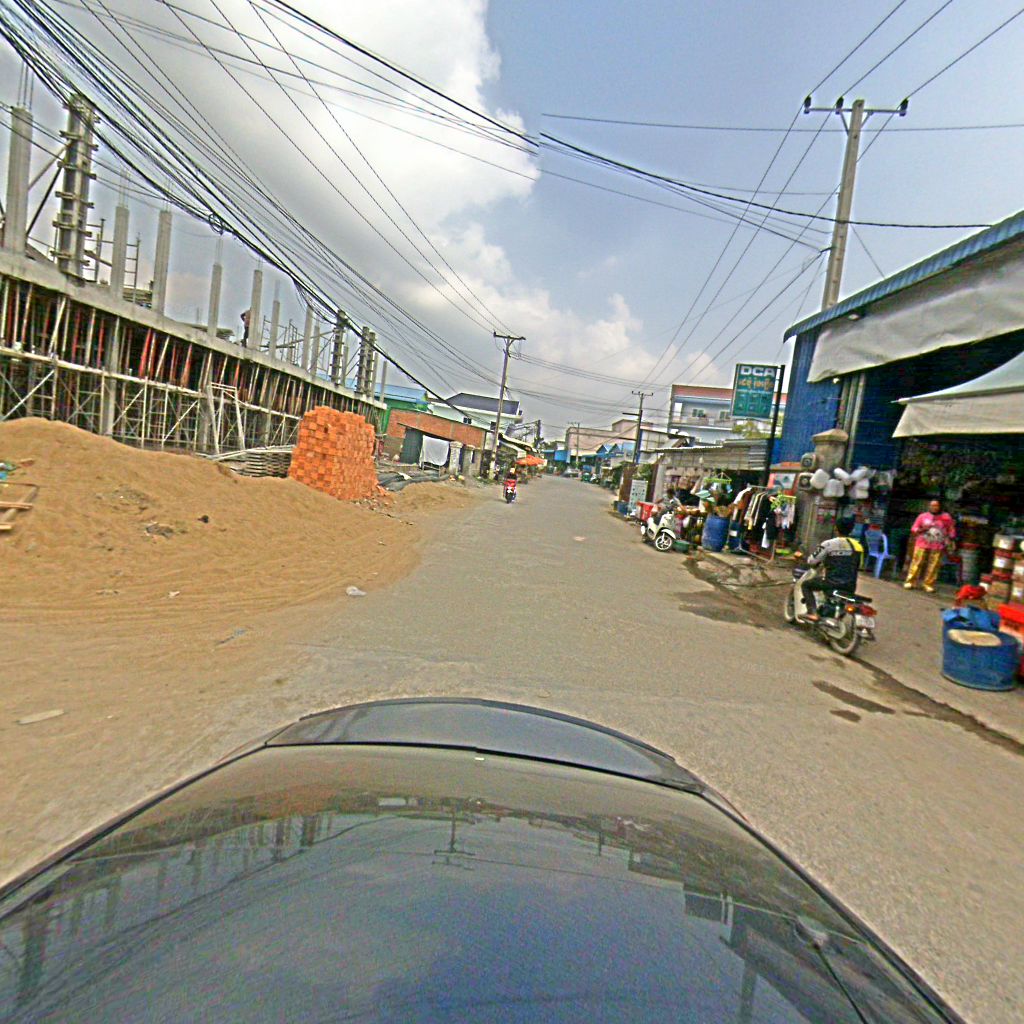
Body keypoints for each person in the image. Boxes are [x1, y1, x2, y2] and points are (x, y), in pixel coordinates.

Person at [800, 519, 863, 622]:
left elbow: (812, 560)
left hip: (831, 583)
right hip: (850, 586)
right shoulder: (858, 546)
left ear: (836, 529)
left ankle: (812, 612)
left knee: (806, 585)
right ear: (851, 530)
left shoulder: (829, 544)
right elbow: (860, 565)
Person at [904, 499, 956, 593]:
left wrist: (951, 538)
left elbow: (951, 529)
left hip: (937, 544)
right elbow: (914, 528)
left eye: (936, 505)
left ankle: (928, 584)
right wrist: (921, 530)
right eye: (932, 505)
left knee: (934, 565)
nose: (934, 507)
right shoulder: (922, 516)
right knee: (917, 562)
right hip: (922, 543)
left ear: (940, 507)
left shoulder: (946, 517)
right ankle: (910, 582)